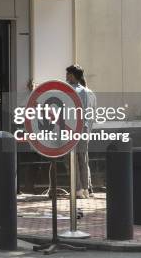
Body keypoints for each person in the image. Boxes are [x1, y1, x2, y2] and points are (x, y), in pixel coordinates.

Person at [65, 64, 91, 199]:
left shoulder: (69, 89)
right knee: (83, 158)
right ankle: (86, 189)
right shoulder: (85, 90)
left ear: (72, 75)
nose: (66, 76)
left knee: (72, 159)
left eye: (68, 74)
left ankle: (78, 189)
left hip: (72, 127)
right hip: (84, 127)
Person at [80, 76, 97, 197]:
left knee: (79, 160)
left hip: (78, 131)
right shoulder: (92, 94)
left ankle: (81, 188)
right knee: (85, 159)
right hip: (87, 131)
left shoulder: (80, 95)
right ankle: (88, 188)